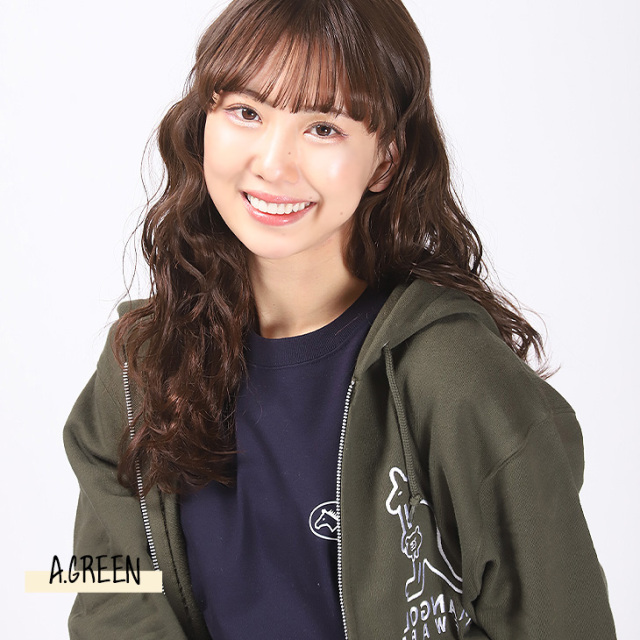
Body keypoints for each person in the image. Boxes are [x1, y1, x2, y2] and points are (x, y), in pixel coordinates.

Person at [63, 0, 617, 638]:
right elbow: (96, 585)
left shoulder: (454, 376)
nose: (273, 164)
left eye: (323, 128)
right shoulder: (137, 365)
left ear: (386, 159)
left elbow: (562, 618)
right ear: (202, 124)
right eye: (246, 112)